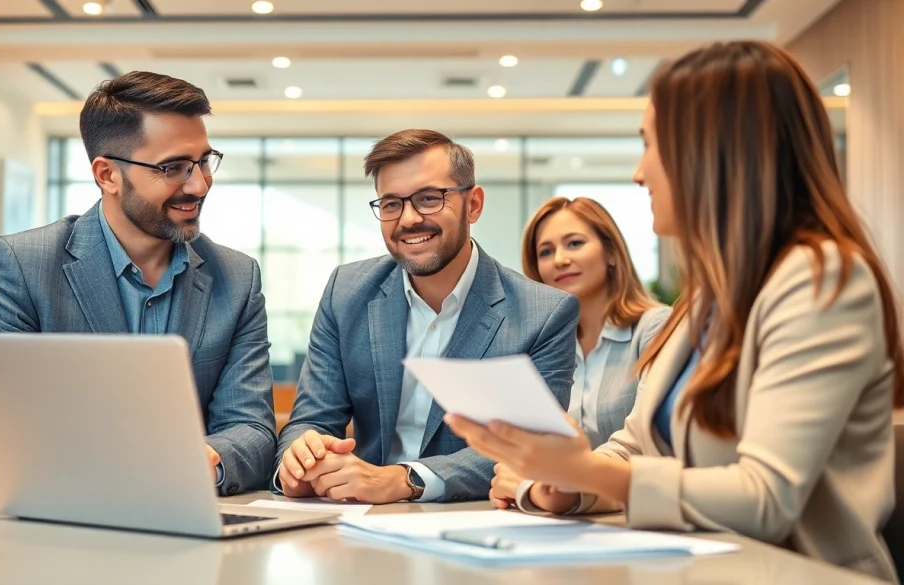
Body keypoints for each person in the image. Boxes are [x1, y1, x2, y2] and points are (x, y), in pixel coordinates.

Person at [446, 40, 904, 583]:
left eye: (650, 145)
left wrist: (584, 470)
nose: (639, 174)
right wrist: (565, 485)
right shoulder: (707, 298)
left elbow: (766, 497)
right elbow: (635, 447)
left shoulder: (821, 277)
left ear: (715, 152)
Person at [0, 71, 277, 496]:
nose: (200, 184)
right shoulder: (20, 265)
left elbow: (254, 432)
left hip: (187, 526)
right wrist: (143, 466)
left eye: (204, 160)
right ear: (107, 175)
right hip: (50, 532)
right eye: (174, 168)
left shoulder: (237, 279)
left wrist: (206, 459)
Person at [273, 129, 579, 504]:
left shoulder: (543, 313)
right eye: (390, 205)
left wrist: (405, 480)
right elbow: (311, 418)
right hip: (359, 518)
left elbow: (533, 444)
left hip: (474, 523)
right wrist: (302, 458)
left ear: (474, 205)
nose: (409, 219)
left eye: (429, 199)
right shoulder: (347, 291)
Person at [489, 197, 671, 511]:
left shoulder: (655, 328)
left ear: (612, 253)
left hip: (635, 513)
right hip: (557, 518)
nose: (559, 259)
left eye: (574, 243)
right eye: (545, 251)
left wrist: (554, 481)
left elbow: (649, 444)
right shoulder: (542, 344)